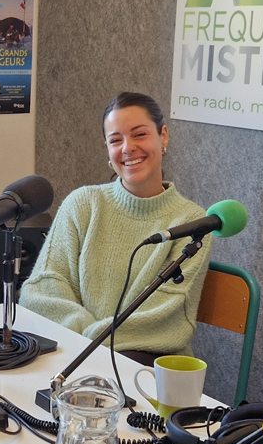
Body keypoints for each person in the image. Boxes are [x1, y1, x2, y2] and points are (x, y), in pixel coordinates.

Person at [19, 92, 211, 366]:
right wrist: (87, 339)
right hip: (74, 355)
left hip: (144, 366)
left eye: (139, 134)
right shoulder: (82, 204)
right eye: (116, 140)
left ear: (163, 136)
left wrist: (91, 343)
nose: (128, 148)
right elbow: (41, 291)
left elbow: (165, 319)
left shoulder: (193, 221)